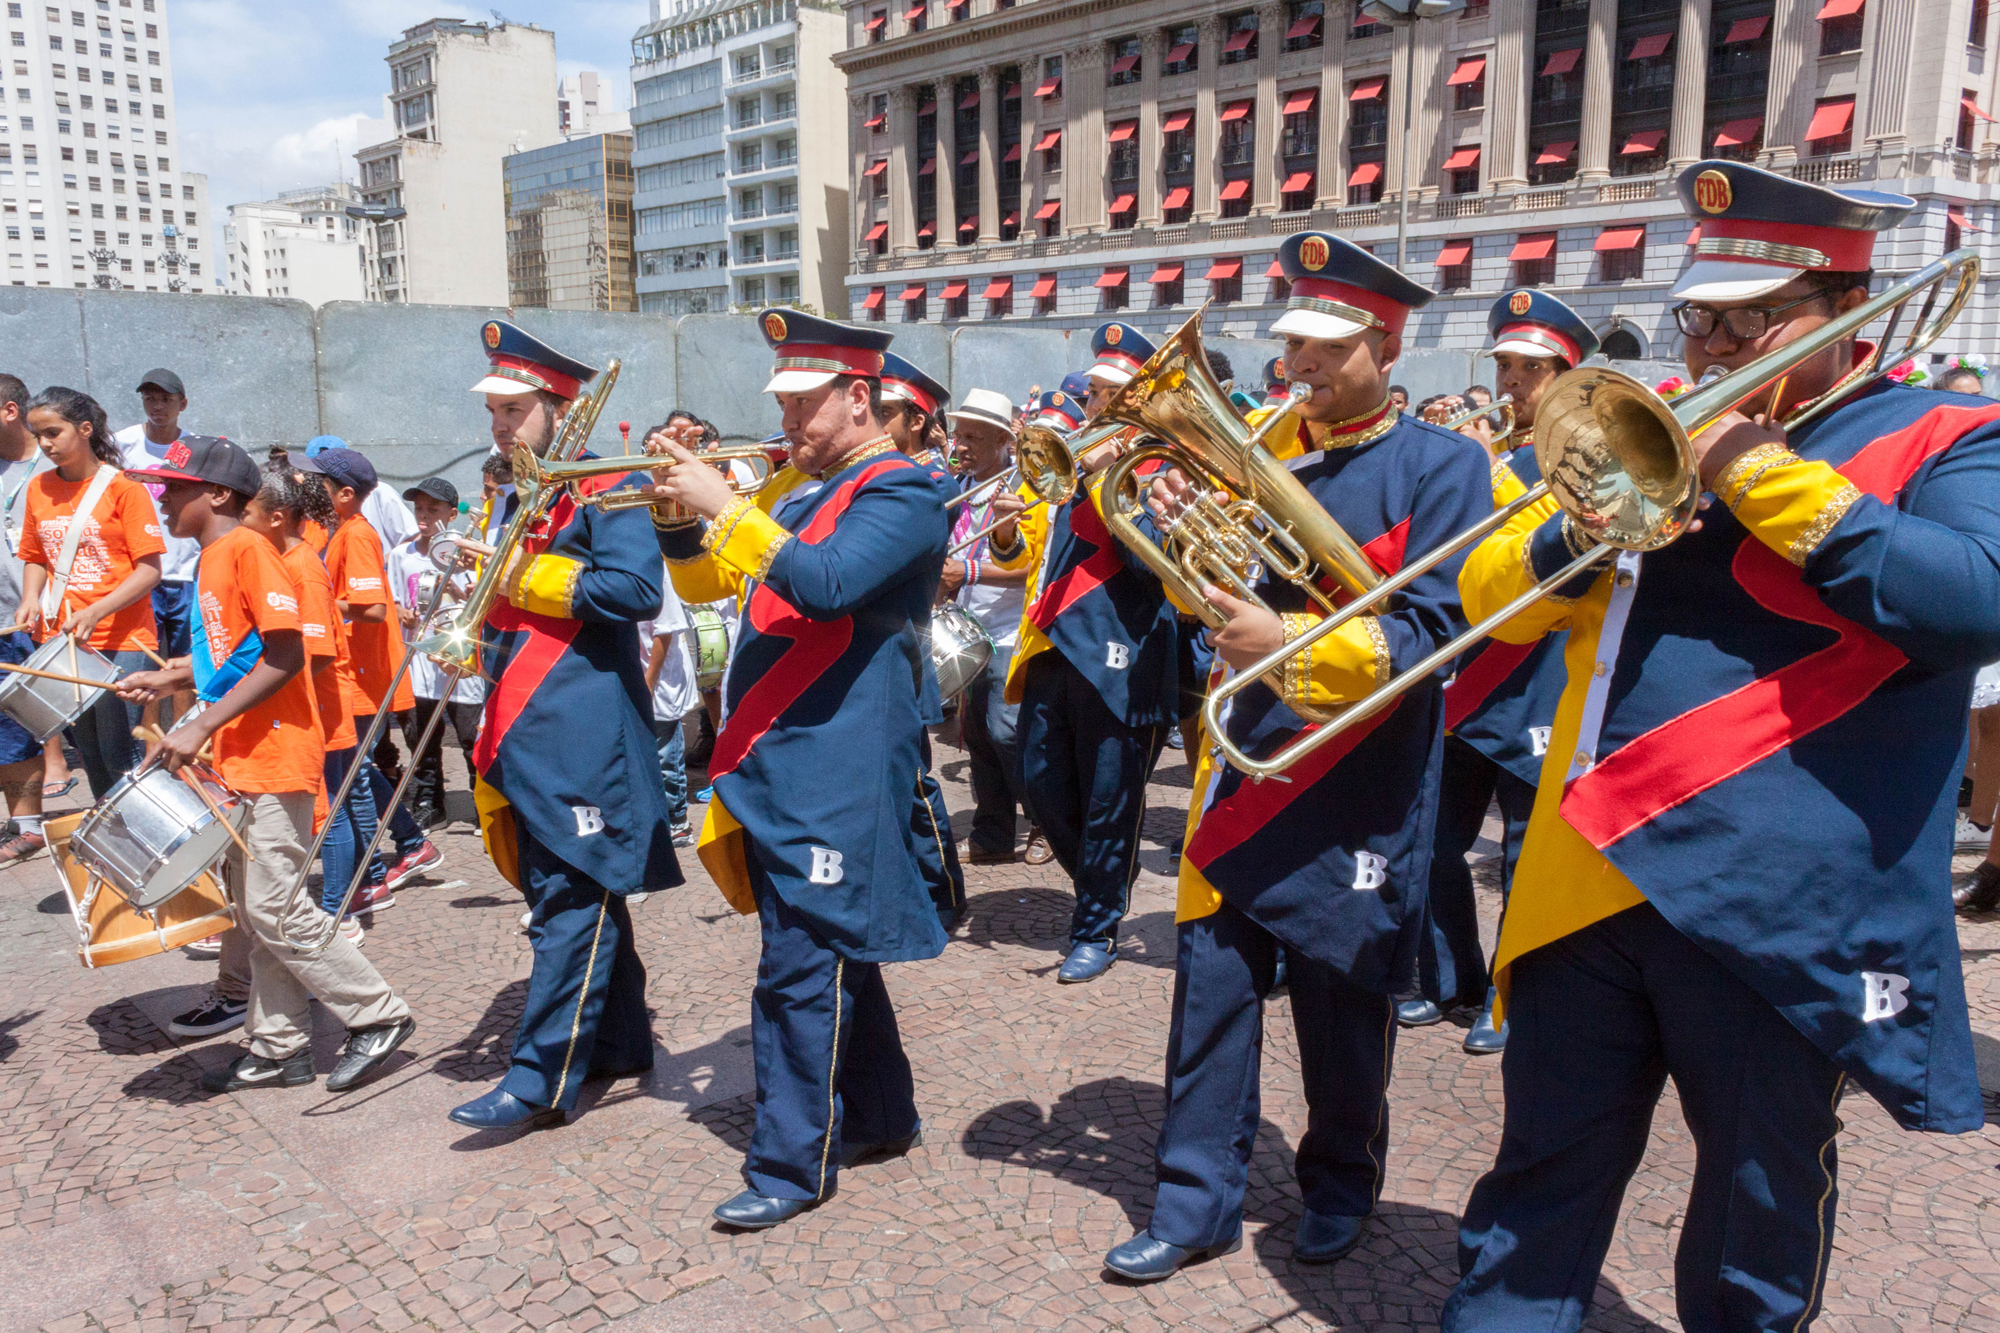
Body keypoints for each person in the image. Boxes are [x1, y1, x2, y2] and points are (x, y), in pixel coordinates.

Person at [1443, 160, 1997, 1331]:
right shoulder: (1640, 425)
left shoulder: (1949, 431)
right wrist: (1571, 535)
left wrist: (1752, 470)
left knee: (1755, 1209)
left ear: (1850, 307)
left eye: (1754, 318)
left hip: (1774, 904)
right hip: (1584, 875)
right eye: (1703, 315)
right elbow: (1480, 593)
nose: (1713, 343)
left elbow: (1967, 601)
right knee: (1535, 1182)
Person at [1100, 233, 1488, 1281]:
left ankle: (1339, 1184)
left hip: (1358, 775)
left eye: (1322, 347)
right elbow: (1214, 601)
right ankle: (1193, 1199)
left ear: (1385, 342)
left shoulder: (1444, 466)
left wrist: (1290, 646)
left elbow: (1437, 632)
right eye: (1291, 344)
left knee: (1342, 1009)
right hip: (1245, 764)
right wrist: (1187, 558)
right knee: (1209, 996)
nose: (1298, 365)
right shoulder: (1265, 444)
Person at [647, 309, 946, 1229]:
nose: (785, 421)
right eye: (781, 401)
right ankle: (883, 1116)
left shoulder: (904, 492)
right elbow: (708, 587)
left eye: (802, 403)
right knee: (828, 948)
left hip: (841, 759)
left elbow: (823, 584)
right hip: (789, 750)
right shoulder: (798, 490)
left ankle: (789, 1162)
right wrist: (673, 515)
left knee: (796, 965)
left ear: (859, 398)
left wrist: (722, 502)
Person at [118, 435, 415, 1094]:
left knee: (277, 906)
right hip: (245, 754)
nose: (162, 499)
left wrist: (198, 721)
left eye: (175, 487)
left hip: (278, 751)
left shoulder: (248, 550)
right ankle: (281, 1045)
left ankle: (379, 1012)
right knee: (259, 913)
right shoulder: (219, 555)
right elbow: (242, 654)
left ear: (218, 494)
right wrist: (177, 682)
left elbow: (284, 655)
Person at [447, 320, 682, 1132]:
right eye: (494, 413)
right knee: (572, 891)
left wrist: (521, 572)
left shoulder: (603, 482)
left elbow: (632, 592)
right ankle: (619, 1044)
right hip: (524, 723)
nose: (501, 425)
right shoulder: (521, 490)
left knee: (567, 902)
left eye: (515, 409)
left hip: (582, 727)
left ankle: (540, 1077)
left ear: (558, 404)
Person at [1404, 290, 1598, 1055]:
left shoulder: (1589, 450)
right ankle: (1448, 973)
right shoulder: (1479, 453)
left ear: (1570, 375)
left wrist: (1494, 481)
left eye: (1532, 368)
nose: (1514, 382)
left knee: (1524, 852)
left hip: (1542, 674)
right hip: (1469, 675)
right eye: (1507, 366)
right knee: (1437, 841)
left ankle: (1506, 994)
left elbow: (1561, 544)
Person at [992, 323, 1178, 984]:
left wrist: (1108, 481)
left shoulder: (1162, 468)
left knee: (1108, 803)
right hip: (1050, 645)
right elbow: (1034, 554)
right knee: (1039, 782)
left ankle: (1095, 923)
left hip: (1121, 655)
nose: (1092, 406)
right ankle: (1105, 881)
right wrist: (1011, 531)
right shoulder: (1072, 464)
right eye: (1094, 393)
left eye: (1106, 394)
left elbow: (1147, 561)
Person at [299, 447, 441, 910]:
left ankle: (367, 880)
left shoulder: (357, 536)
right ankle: (408, 845)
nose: (305, 485)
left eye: (315, 481)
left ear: (343, 494)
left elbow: (375, 609)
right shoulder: (335, 529)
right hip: (353, 673)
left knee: (351, 780)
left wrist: (317, 603)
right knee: (357, 772)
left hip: (360, 676)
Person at [16, 387, 165, 799]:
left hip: (121, 640)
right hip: (62, 641)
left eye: (53, 432)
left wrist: (97, 610)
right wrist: (31, 599)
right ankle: (110, 840)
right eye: (38, 434)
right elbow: (34, 555)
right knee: (91, 752)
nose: (45, 444)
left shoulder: (125, 489)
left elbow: (149, 571)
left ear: (84, 429)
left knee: (121, 752)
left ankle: (138, 841)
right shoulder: (38, 488)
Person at [880, 352, 968, 926]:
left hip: (905, 650)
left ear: (915, 420)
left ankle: (943, 894)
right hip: (875, 649)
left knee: (913, 781)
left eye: (884, 412)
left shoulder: (930, 481)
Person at [940, 388, 1033, 864]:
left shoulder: (1028, 487)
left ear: (1004, 441)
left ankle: (1042, 820)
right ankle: (993, 832)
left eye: (974, 437)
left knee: (1005, 733)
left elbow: (1037, 566)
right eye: (959, 435)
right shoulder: (964, 487)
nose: (962, 445)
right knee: (976, 736)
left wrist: (968, 573)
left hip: (1011, 632)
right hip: (971, 629)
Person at [386, 477, 484, 832]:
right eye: (419, 509)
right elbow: (395, 599)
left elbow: (482, 601)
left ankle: (481, 800)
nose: (424, 517)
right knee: (421, 733)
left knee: (471, 733)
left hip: (460, 657)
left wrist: (462, 589)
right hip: (421, 659)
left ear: (452, 513)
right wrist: (402, 613)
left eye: (433, 509)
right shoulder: (402, 555)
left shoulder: (472, 552)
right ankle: (431, 801)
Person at [113, 368, 200, 723]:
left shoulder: (195, 447)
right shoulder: (122, 444)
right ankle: (149, 745)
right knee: (147, 659)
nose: (157, 406)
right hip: (143, 571)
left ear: (182, 404)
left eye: (165, 399)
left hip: (188, 571)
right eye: (150, 398)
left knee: (185, 663)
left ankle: (185, 741)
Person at [0, 375, 51, 863]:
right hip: (2, 620)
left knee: (27, 728)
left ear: (9, 410)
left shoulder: (49, 467)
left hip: (44, 619)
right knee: (7, 729)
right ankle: (25, 825)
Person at [637, 566, 697, 848]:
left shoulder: (656, 567)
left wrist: (649, 681)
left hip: (660, 679)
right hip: (632, 674)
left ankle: (678, 821)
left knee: (665, 755)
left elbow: (665, 632)